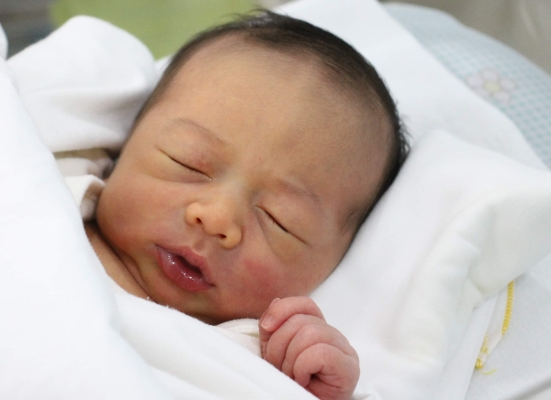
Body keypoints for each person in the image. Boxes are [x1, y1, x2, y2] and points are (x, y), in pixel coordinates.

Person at [84, 11, 408, 400]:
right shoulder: (47, 194)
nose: (216, 217)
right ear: (125, 144)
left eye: (280, 220)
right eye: (188, 162)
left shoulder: (266, 358)